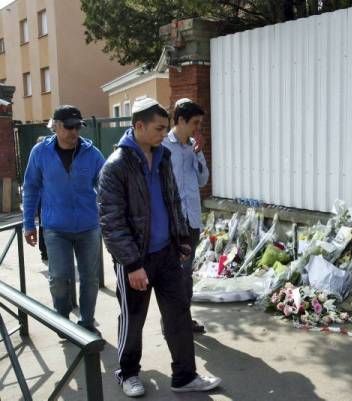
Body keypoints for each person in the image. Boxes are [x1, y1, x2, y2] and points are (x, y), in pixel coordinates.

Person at [97, 98, 221, 397]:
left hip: (166, 254)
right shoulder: (115, 167)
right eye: (159, 128)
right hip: (136, 260)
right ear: (138, 126)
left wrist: (180, 241)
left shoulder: (162, 156)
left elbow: (173, 200)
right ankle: (127, 374)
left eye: (166, 127)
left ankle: (185, 376)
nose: (164, 133)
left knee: (178, 313)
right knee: (134, 319)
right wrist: (132, 264)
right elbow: (111, 222)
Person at [22, 105, 104, 336]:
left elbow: (107, 186)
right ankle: (62, 319)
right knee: (59, 277)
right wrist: (29, 223)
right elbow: (31, 188)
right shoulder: (40, 152)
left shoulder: (93, 154)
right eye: (69, 127)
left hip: (89, 227)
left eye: (78, 127)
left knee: (90, 277)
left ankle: (87, 324)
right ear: (55, 126)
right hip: (55, 228)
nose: (74, 132)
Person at [162, 98, 209, 334]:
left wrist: (199, 155)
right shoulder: (162, 146)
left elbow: (203, 180)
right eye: (195, 123)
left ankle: (184, 318)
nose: (197, 129)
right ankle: (171, 321)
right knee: (172, 275)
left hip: (191, 221)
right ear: (180, 120)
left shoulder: (193, 147)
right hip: (170, 223)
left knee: (186, 275)